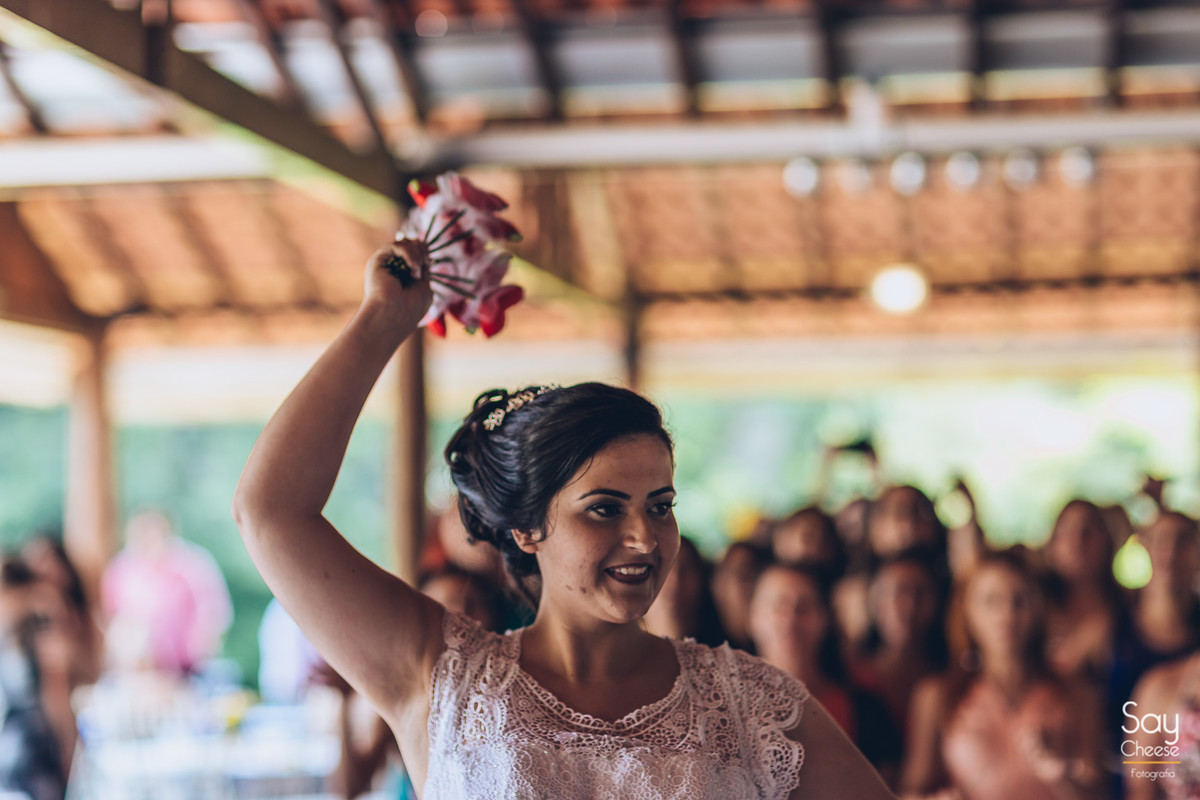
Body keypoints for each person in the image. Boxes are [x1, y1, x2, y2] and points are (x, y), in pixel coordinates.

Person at [232, 241, 895, 799]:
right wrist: (382, 320)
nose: (644, 538)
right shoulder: (440, 677)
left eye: (660, 507)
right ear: (528, 527)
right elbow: (271, 513)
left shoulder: (748, 704)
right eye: (604, 508)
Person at [900, 548, 1104, 800]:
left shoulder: (1076, 692)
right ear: (967, 611)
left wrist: (1059, 772)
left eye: (1019, 600)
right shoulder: (937, 695)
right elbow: (911, 789)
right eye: (990, 601)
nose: (1006, 614)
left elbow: (1100, 793)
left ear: (1039, 608)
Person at [750, 562, 902, 786]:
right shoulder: (720, 707)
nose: (790, 619)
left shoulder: (865, 708)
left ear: (825, 618)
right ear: (752, 616)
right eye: (777, 605)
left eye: (803, 607)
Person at [102, 509, 234, 677]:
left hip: (187, 666)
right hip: (138, 665)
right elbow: (112, 614)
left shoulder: (193, 563)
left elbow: (213, 613)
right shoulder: (122, 568)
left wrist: (198, 652)